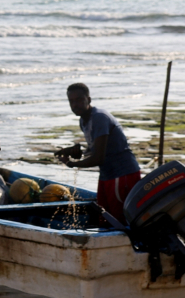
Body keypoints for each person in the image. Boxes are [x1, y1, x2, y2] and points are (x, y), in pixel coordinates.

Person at [56, 83, 141, 224]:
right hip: (107, 175)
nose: (75, 105)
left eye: (79, 100)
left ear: (88, 100)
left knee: (119, 220)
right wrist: (75, 152)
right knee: (104, 218)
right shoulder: (84, 121)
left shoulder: (99, 117)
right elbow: (95, 151)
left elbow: (98, 158)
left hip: (122, 174)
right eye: (71, 101)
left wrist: (71, 163)